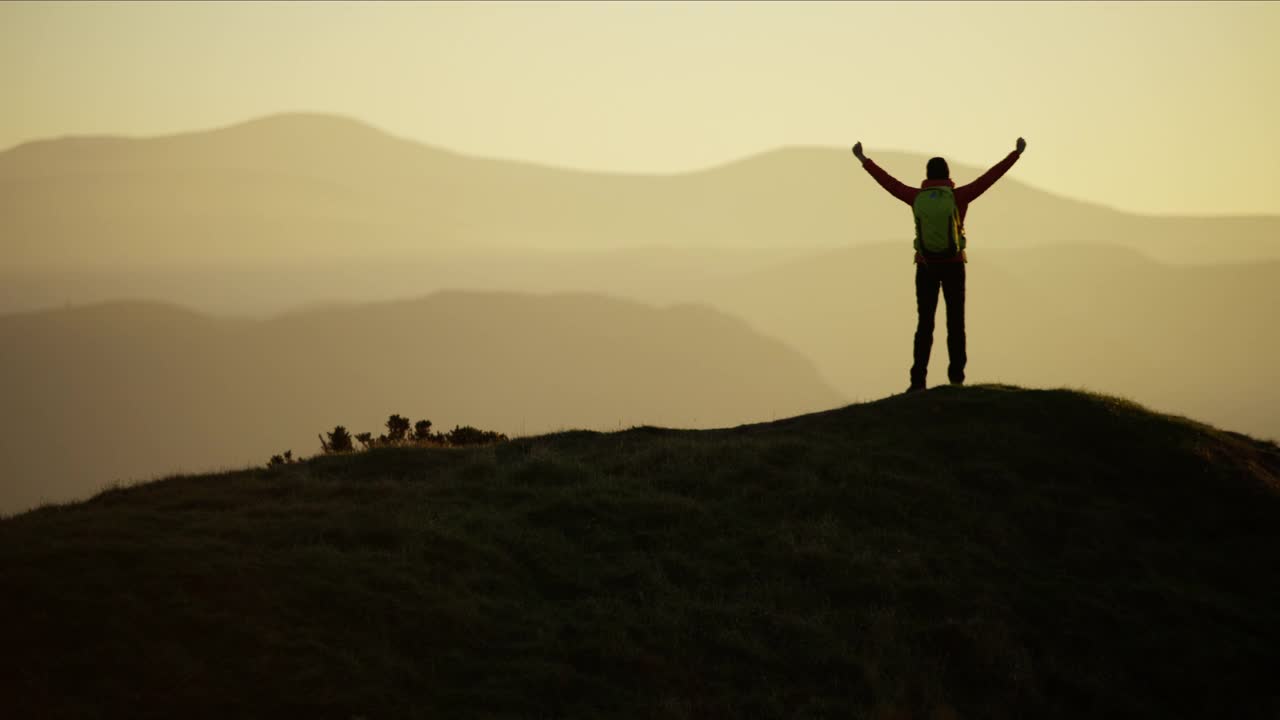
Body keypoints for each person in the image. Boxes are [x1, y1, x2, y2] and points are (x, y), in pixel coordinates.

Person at [852, 138, 1026, 393]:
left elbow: (888, 183)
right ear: (948, 175)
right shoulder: (958, 196)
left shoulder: (915, 197)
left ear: (927, 175)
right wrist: (1016, 154)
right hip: (954, 265)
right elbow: (990, 178)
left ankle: (917, 381)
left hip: (925, 266)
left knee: (925, 324)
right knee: (956, 322)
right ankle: (956, 378)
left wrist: (863, 159)